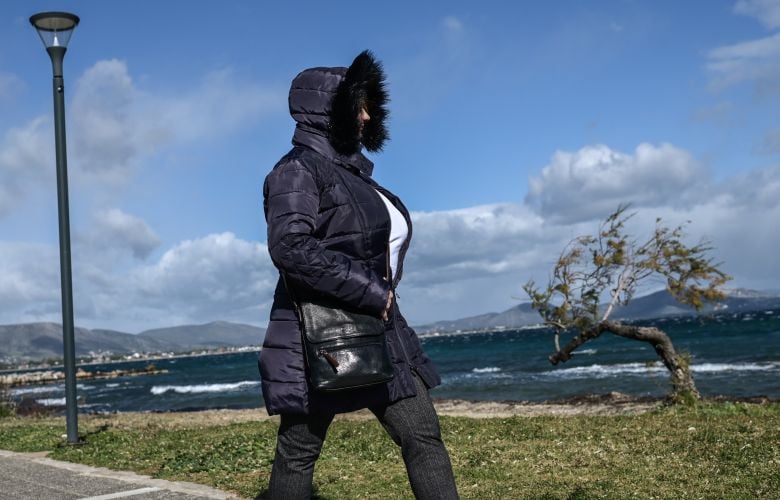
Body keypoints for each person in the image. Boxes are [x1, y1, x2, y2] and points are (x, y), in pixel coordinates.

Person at [259, 50, 459, 499]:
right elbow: (290, 247)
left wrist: (379, 297)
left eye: (369, 106)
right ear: (324, 110)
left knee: (423, 437)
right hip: (319, 337)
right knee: (298, 451)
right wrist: (372, 291)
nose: (366, 116)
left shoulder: (352, 174)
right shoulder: (296, 170)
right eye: (357, 106)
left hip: (380, 327)